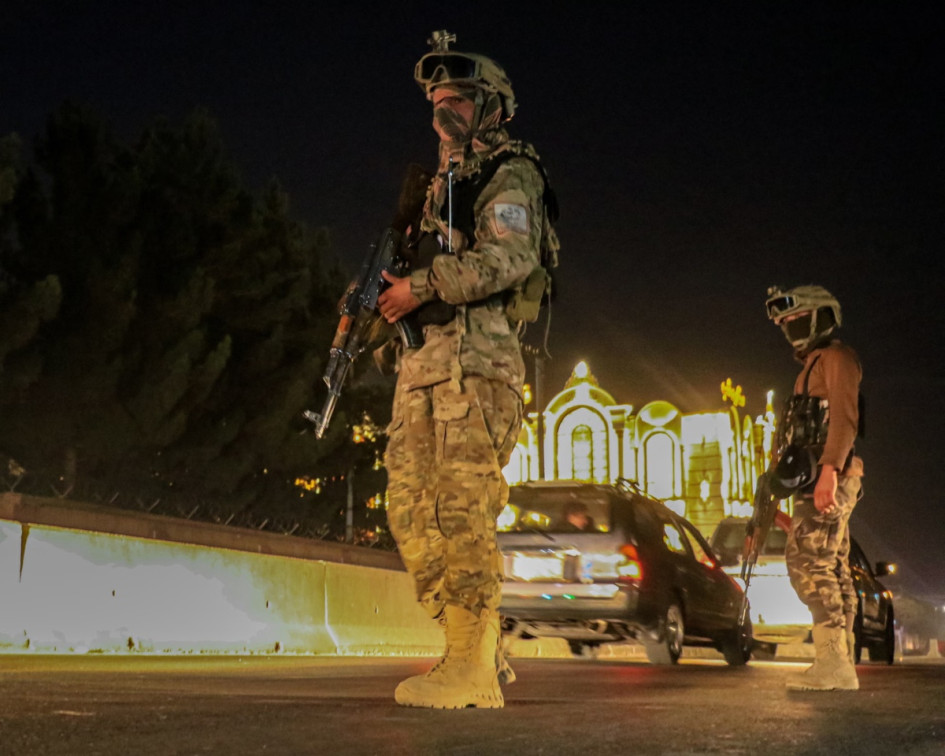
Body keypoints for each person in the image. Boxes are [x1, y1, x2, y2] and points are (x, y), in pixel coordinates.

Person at [376, 30, 559, 709]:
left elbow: (509, 258)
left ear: (492, 107)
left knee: (462, 512)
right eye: (437, 101)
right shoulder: (435, 190)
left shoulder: (511, 172)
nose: (443, 111)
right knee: (407, 511)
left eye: (458, 99)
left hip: (476, 369)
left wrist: (421, 287)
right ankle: (476, 644)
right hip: (423, 369)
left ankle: (469, 667)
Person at [765, 284, 864, 691]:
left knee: (808, 563)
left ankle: (833, 663)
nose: (789, 326)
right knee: (832, 563)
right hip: (817, 475)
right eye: (784, 321)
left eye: (797, 318)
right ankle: (841, 659)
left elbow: (844, 417)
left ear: (821, 316)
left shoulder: (837, 358)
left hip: (829, 474)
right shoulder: (813, 364)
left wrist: (829, 471)